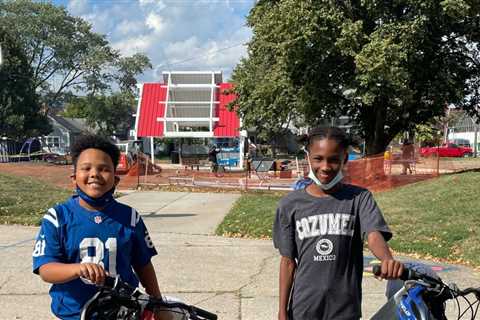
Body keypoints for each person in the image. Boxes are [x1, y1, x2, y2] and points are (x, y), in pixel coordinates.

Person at [273, 127, 404, 320]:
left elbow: (373, 234)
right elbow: (287, 261)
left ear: (344, 159)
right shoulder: (289, 205)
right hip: (303, 308)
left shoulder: (359, 198)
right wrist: (282, 311)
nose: (325, 166)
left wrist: (387, 259)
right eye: (318, 158)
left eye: (334, 159)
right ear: (308, 157)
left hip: (345, 309)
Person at [32, 134, 163, 320]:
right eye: (86, 168)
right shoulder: (57, 217)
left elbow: (143, 264)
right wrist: (77, 269)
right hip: (74, 313)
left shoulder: (130, 218)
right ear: (74, 178)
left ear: (116, 180)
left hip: (122, 311)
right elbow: (46, 269)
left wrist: (157, 301)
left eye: (104, 169)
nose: (94, 173)